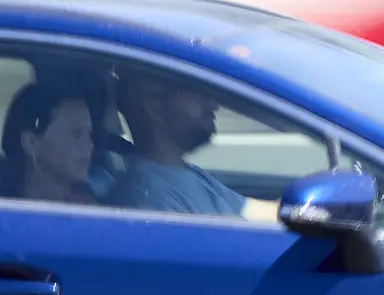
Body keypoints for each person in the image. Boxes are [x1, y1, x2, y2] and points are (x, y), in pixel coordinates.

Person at [106, 69, 277, 221]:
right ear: (156, 108)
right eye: (197, 93)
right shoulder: (152, 198)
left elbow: (258, 212)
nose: (213, 104)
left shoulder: (185, 173)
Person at [0, 81, 99, 205]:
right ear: (32, 144)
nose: (90, 146)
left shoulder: (88, 209)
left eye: (89, 134)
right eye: (76, 134)